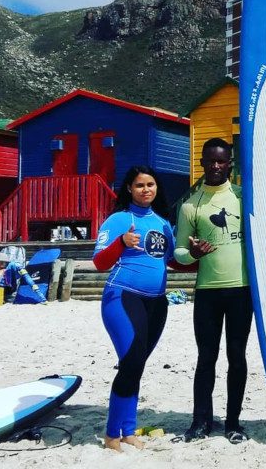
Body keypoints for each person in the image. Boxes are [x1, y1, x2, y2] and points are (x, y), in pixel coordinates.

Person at [175, 138, 252, 444]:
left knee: (237, 356)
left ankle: (233, 422)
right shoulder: (191, 205)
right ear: (202, 163)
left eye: (222, 161)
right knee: (206, 357)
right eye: (211, 161)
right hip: (207, 291)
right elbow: (179, 252)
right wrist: (193, 254)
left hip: (241, 290)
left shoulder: (244, 197)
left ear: (230, 164)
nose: (216, 166)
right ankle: (200, 422)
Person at [93, 165, 175, 452]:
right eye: (140, 185)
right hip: (123, 297)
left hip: (157, 302)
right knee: (131, 361)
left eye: (150, 184)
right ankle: (111, 435)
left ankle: (128, 431)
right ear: (129, 188)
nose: (145, 190)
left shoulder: (163, 223)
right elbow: (99, 262)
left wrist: (197, 255)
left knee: (136, 365)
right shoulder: (119, 219)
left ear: (157, 187)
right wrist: (121, 242)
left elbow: (171, 261)